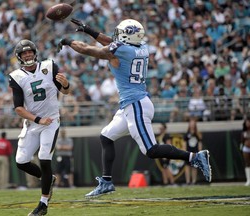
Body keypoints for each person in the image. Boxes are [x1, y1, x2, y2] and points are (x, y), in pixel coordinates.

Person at [58, 18, 212, 198]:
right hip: (131, 104)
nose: (116, 37)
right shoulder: (141, 47)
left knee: (151, 150)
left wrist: (68, 41)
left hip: (136, 104)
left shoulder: (122, 50)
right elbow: (111, 42)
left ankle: (195, 157)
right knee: (106, 136)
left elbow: (87, 49)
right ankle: (106, 182)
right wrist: (88, 30)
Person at [9, 39, 71, 215]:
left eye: (29, 52)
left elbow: (65, 91)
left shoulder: (49, 66)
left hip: (51, 121)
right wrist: (37, 119)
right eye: (24, 53)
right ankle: (47, 178)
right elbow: (19, 108)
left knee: (44, 157)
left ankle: (43, 204)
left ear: (35, 52)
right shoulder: (17, 76)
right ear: (19, 57)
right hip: (33, 122)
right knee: (21, 161)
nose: (27, 55)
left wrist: (65, 84)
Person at [183, 118, 202, 185]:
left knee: (194, 167)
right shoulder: (187, 134)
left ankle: (194, 181)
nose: (192, 125)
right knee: (187, 167)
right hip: (188, 152)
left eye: (193, 124)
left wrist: (199, 153)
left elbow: (200, 142)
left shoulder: (197, 134)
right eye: (191, 124)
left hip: (195, 152)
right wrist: (184, 152)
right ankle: (188, 181)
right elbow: (184, 143)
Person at [241, 116, 250, 186]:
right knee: (247, 163)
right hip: (246, 148)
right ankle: (248, 180)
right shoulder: (244, 132)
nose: (247, 123)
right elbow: (242, 141)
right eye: (246, 122)